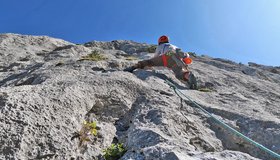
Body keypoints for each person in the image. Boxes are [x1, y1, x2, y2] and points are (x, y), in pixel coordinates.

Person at [124, 35, 197, 89]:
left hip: (167, 55)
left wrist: (152, 64)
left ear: (159, 41)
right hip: (176, 59)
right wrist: (185, 58)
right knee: (179, 73)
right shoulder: (174, 46)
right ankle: (188, 75)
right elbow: (184, 54)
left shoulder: (161, 46)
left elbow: (156, 57)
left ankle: (134, 67)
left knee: (149, 61)